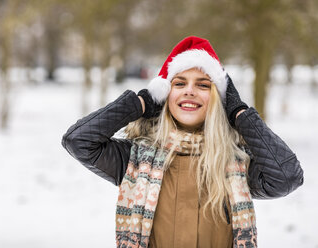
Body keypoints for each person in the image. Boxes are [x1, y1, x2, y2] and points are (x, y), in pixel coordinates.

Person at [62, 36, 303, 248]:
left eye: (203, 85)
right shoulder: (133, 159)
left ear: (220, 99)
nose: (189, 91)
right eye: (179, 83)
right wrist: (140, 103)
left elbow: (287, 177)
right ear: (165, 95)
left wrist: (240, 113)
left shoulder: (239, 162)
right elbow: (78, 140)